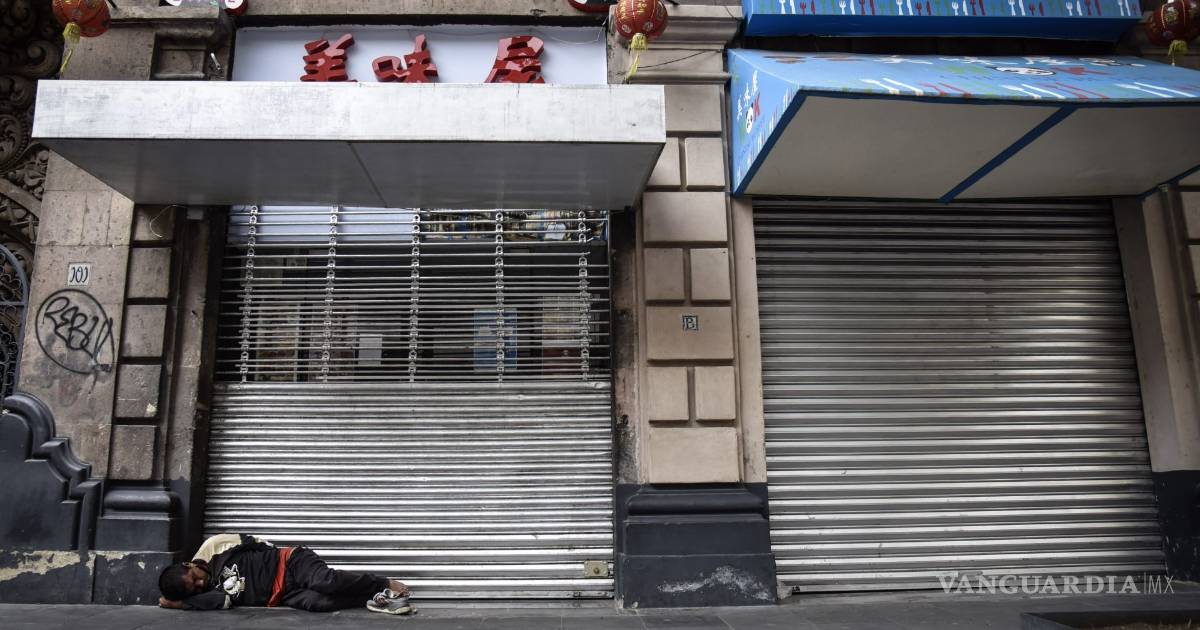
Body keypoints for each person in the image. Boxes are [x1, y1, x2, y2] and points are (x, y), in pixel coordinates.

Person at [157, 533, 412, 615]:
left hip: (289, 562)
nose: (199, 583)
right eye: (193, 589)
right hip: (284, 594)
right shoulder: (211, 594)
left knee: (325, 581)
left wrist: (269, 561)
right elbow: (222, 600)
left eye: (194, 578)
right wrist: (182, 604)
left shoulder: (217, 552)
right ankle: (375, 598)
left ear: (189, 564)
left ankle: (381, 582)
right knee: (319, 603)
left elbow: (253, 542)